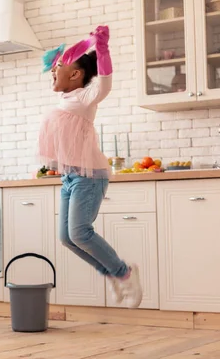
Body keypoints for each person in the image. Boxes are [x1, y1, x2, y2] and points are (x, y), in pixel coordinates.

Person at [38, 25, 143, 308]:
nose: (52, 70)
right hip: (71, 177)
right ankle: (110, 271)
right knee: (67, 238)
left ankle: (124, 272)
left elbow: (105, 82)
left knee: (79, 232)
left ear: (75, 75)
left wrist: (102, 49)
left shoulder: (85, 98)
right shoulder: (65, 99)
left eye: (58, 67)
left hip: (90, 176)